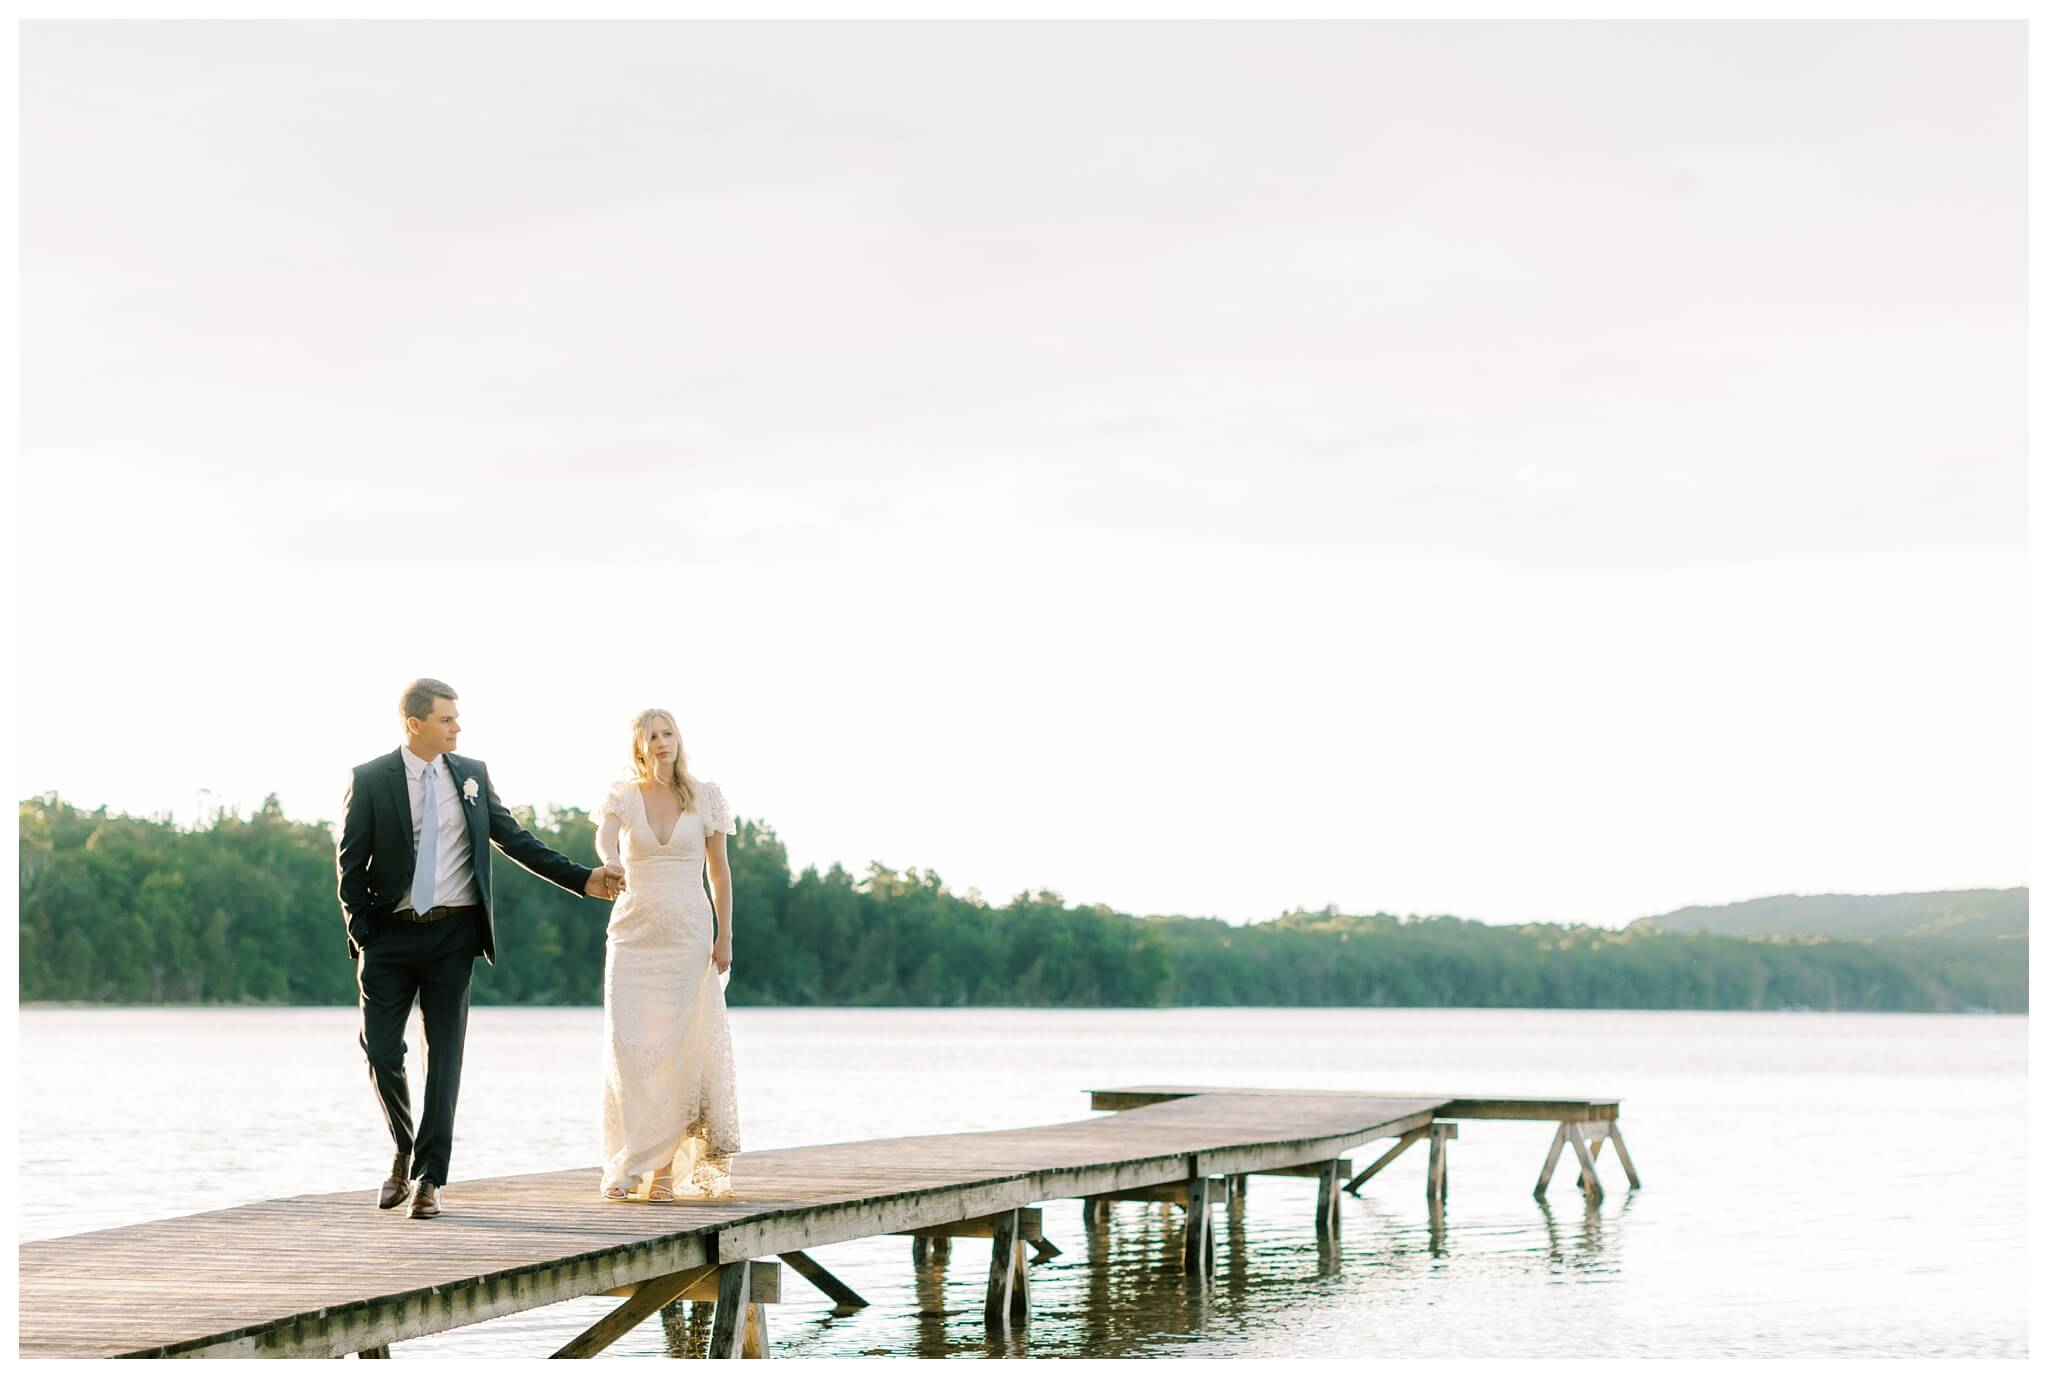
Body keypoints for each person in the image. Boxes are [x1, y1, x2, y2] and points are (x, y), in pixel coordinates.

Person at [335, 677, 623, 1219]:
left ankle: (429, 1180)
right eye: (446, 719)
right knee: (380, 1052)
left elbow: (515, 839)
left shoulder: (471, 776)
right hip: (389, 938)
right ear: (415, 723)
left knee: (444, 1059)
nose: (457, 727)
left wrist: (583, 878)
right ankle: (403, 1146)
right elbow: (349, 864)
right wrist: (363, 932)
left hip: (454, 937)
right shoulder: (371, 779)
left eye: (457, 719)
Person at [593, 708, 741, 1202]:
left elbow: (719, 873)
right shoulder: (625, 795)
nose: (661, 741)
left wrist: (726, 936)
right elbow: (605, 834)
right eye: (651, 736)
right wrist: (610, 859)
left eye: (668, 733)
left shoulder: (707, 797)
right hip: (633, 936)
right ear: (639, 746)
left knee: (680, 1052)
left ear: (679, 739)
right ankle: (631, 1160)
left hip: (687, 936)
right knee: (631, 1051)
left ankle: (657, 1175)